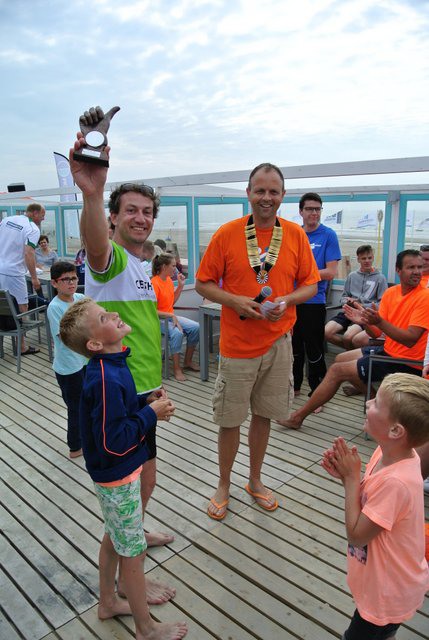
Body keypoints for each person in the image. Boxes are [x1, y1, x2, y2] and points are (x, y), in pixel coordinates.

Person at [70, 107, 175, 597]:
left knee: (142, 486)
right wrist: (92, 193)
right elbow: (94, 246)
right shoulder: (109, 261)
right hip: (122, 396)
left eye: (147, 212)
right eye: (130, 210)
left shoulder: (139, 266)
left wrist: (157, 385)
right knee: (129, 493)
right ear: (114, 217)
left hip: (142, 388)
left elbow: (146, 335)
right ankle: (121, 583)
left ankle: (136, 532)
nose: (140, 218)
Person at [195, 162, 319, 519]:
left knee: (264, 416)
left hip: (278, 343)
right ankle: (223, 484)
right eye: (260, 190)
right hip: (237, 346)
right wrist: (235, 301)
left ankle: (255, 480)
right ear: (248, 193)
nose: (267, 197)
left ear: (283, 196)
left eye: (273, 192)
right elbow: (203, 283)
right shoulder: (227, 234)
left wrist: (287, 301)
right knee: (230, 419)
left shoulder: (294, 235)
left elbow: (310, 284)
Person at [59, 298, 187, 640]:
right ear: (95, 344)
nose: (114, 314)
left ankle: (108, 603)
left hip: (115, 474)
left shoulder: (111, 366)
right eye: (104, 317)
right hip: (117, 475)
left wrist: (144, 403)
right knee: (133, 549)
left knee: (115, 537)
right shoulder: (104, 377)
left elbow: (115, 416)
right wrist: (150, 415)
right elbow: (113, 441)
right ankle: (146, 628)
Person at [321, 373, 429, 640]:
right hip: (385, 582)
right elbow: (371, 500)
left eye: (377, 403)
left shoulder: (397, 482)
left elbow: (357, 535)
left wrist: (351, 480)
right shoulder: (389, 453)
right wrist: (348, 477)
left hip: (388, 593)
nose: (368, 403)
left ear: (396, 431)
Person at [279, 249, 429, 429]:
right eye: (411, 267)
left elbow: (411, 339)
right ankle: (376, 400)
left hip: (408, 362)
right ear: (398, 270)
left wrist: (378, 321)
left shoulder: (425, 297)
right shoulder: (391, 293)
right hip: (388, 352)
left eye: (420, 267)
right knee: (340, 358)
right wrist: (365, 322)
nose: (417, 272)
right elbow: (375, 333)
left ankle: (297, 418)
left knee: (337, 371)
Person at [292, 192, 341, 412]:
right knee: (293, 347)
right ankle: (294, 387)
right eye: (309, 209)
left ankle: (317, 394)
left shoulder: (328, 235)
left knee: (314, 349)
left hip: (314, 301)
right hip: (293, 300)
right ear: (301, 211)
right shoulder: (295, 234)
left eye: (317, 209)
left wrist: (302, 275)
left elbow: (330, 272)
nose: (314, 213)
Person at [47, 261, 87, 458]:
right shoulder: (55, 307)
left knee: (88, 402)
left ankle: (87, 438)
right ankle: (75, 447)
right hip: (69, 367)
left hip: (84, 361)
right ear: (54, 283)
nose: (71, 283)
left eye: (74, 278)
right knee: (75, 408)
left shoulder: (80, 299)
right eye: (66, 279)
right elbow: (65, 337)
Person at [0, 202, 46, 355]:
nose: (43, 219)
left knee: (3, 304)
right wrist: (34, 278)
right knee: (22, 307)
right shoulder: (33, 229)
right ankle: (22, 346)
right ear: (34, 213)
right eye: (42, 215)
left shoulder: (7, 220)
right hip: (14, 272)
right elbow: (29, 253)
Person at [325, 245, 387, 350]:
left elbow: (382, 304)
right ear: (358, 259)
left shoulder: (380, 278)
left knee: (347, 337)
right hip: (348, 311)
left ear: (373, 258)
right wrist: (348, 301)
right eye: (363, 258)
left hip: (364, 315)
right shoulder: (352, 276)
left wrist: (360, 305)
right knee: (326, 332)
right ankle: (353, 351)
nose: (367, 261)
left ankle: (349, 354)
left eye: (369, 258)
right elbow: (343, 297)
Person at [151, 253, 199, 381]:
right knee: (177, 334)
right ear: (164, 267)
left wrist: (181, 286)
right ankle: (177, 369)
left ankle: (187, 362)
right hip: (158, 320)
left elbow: (171, 303)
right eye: (173, 266)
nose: (176, 268)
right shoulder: (154, 283)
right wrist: (171, 315)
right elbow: (151, 311)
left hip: (171, 317)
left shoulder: (168, 281)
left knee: (196, 328)